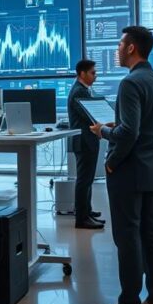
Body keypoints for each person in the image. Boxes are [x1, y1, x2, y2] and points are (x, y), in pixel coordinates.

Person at [89, 26, 153, 304]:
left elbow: (128, 133)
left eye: (120, 44)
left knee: (128, 239)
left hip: (129, 173)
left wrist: (105, 134)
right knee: (152, 235)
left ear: (132, 48)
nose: (117, 50)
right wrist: (149, 150)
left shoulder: (130, 83)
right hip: (152, 170)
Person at [67, 59, 105, 230]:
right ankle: (82, 218)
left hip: (87, 140)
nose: (95, 76)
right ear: (82, 73)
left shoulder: (82, 90)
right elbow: (89, 116)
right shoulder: (78, 92)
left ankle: (87, 211)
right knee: (84, 180)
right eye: (93, 73)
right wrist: (105, 121)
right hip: (84, 141)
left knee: (87, 179)